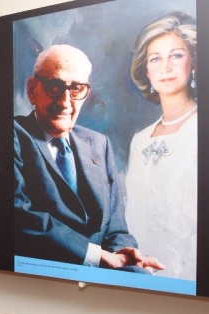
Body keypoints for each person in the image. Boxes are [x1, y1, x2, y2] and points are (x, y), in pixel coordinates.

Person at [14, 44, 164, 272]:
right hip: (44, 275)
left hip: (101, 272)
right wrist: (99, 257)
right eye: (55, 86)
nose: (65, 102)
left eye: (76, 89)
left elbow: (116, 229)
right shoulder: (10, 133)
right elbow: (17, 215)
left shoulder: (99, 143)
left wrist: (123, 254)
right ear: (32, 90)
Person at [125, 12, 197, 280]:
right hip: (136, 279)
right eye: (156, 58)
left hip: (189, 282)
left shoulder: (202, 129)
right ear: (147, 70)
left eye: (176, 55)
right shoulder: (140, 140)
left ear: (194, 64)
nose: (165, 67)